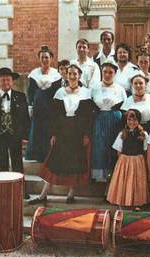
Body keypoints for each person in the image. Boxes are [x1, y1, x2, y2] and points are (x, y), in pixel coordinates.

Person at [29, 64, 96, 205]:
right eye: (70, 73)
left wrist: (86, 135)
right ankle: (43, 195)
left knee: (75, 164)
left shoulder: (86, 93)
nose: (72, 76)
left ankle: (71, 194)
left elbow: (88, 116)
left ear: (79, 75)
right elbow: (54, 115)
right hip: (62, 131)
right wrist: (53, 134)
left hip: (77, 132)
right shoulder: (60, 92)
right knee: (53, 162)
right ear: (66, 75)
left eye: (75, 74)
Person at [0, 67, 30, 199]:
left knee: (17, 164)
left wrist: (25, 136)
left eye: (8, 80)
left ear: (12, 81)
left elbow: (26, 118)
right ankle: (2, 192)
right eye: (3, 80)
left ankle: (21, 191)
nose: (6, 83)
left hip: (15, 136)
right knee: (1, 164)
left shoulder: (20, 97)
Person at [91, 60, 127, 182]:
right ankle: (99, 176)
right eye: (105, 72)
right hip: (99, 119)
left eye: (110, 72)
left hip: (115, 121)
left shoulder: (120, 89)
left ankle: (112, 177)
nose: (107, 75)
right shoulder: (95, 88)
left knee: (113, 146)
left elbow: (124, 107)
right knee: (100, 146)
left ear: (115, 74)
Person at [25, 45, 61, 163]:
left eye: (47, 57)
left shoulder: (56, 74)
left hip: (50, 107)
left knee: (49, 129)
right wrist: (30, 105)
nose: (44, 60)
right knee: (37, 129)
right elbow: (30, 91)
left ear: (51, 58)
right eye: (42, 57)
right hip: (38, 106)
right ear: (39, 59)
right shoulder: (34, 73)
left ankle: (48, 155)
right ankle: (36, 155)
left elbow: (57, 92)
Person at [106, 109, 149, 207]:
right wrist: (123, 162)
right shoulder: (122, 133)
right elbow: (119, 151)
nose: (132, 122)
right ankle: (123, 200)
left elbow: (145, 150)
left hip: (138, 160)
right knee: (124, 180)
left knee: (136, 182)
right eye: (129, 120)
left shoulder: (143, 134)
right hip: (125, 160)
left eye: (134, 120)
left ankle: (136, 201)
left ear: (139, 121)